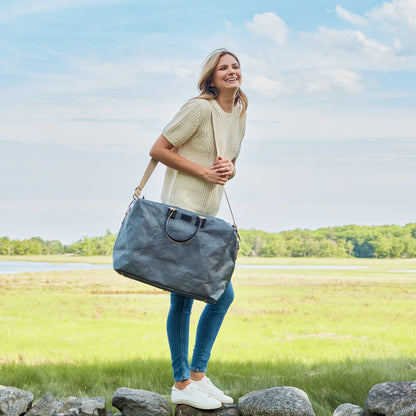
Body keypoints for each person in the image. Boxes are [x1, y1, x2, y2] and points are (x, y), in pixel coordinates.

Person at [149, 48, 248, 410]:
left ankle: (197, 377)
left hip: (208, 218)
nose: (231, 71)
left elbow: (232, 161)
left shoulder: (238, 111)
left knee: (220, 295)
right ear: (211, 77)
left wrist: (226, 170)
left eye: (235, 66)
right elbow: (158, 149)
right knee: (189, 298)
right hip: (181, 215)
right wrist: (204, 172)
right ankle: (183, 381)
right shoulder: (198, 108)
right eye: (224, 67)